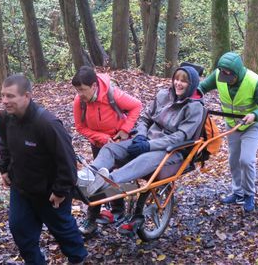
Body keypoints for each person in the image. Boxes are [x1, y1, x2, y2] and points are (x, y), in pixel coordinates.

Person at [82, 65, 205, 231]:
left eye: (184, 81)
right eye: (176, 79)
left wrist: (148, 145)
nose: (178, 83)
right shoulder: (163, 95)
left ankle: (108, 182)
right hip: (146, 140)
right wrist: (140, 135)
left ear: (191, 84)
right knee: (111, 148)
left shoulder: (195, 107)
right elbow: (145, 118)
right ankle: (91, 174)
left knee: (142, 159)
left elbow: (181, 136)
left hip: (170, 150)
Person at [0, 74, 87, 265]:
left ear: (27, 96)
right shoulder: (6, 118)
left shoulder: (47, 123)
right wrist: (4, 169)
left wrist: (60, 191)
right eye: (3, 95)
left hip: (50, 192)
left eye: (10, 96)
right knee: (19, 228)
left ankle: (78, 259)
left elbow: (67, 161)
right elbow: (4, 143)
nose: (5, 101)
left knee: (62, 229)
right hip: (21, 187)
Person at [71, 66, 142, 236]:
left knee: (115, 178)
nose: (79, 93)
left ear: (94, 86)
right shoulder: (79, 101)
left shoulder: (112, 94)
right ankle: (93, 217)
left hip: (120, 144)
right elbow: (80, 127)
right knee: (96, 179)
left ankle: (118, 211)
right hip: (99, 144)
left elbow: (136, 106)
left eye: (82, 90)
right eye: (77, 90)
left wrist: (125, 129)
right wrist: (101, 138)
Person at [199, 52, 258, 212]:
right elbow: (202, 88)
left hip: (251, 125)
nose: (225, 78)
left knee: (246, 160)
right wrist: (192, 96)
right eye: (223, 74)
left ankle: (249, 195)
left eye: (229, 76)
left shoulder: (253, 81)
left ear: (237, 72)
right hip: (232, 125)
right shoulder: (219, 74)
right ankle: (237, 192)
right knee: (233, 160)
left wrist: (254, 115)